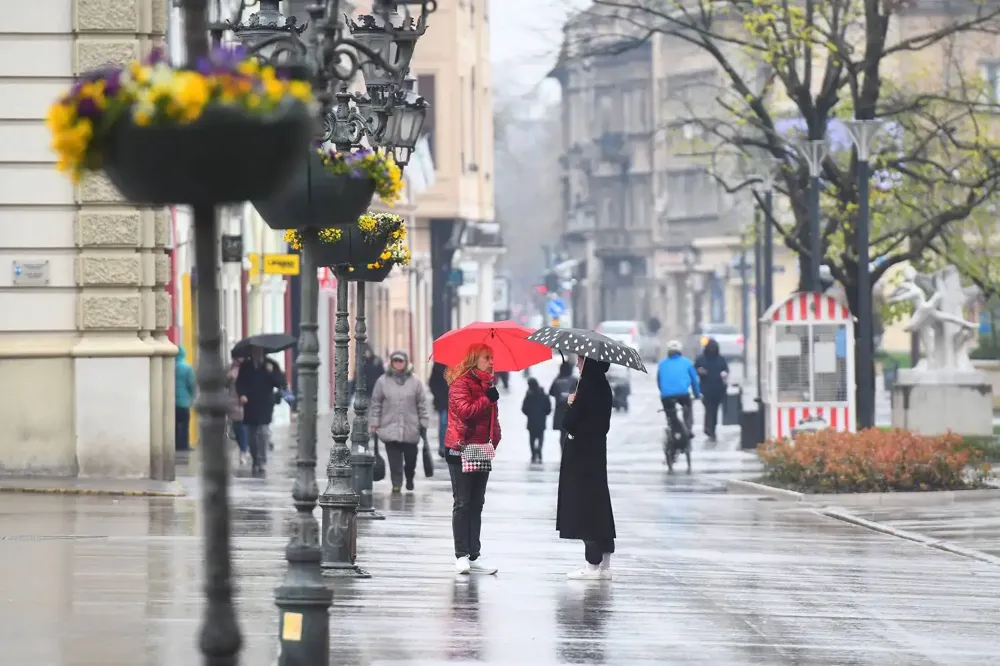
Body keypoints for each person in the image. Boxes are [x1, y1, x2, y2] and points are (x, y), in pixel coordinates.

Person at [557, 355, 616, 580]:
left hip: (582, 454)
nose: (578, 364)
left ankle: (592, 564)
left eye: (581, 360)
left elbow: (569, 422)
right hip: (597, 453)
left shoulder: (588, 385)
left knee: (585, 506)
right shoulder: (603, 385)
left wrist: (572, 403)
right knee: (599, 503)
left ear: (589, 362)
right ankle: (605, 563)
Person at [444, 343, 501, 575]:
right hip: (460, 448)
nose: (491, 361)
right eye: (487, 357)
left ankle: (474, 554)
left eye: (492, 357)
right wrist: (487, 398)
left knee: (477, 503)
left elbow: (492, 418)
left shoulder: (487, 384)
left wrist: (495, 438)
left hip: (480, 448)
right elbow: (465, 411)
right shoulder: (460, 384)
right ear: (474, 359)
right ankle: (461, 555)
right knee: (463, 502)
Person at [369, 351, 429, 493]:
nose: (398, 363)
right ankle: (396, 484)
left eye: (401, 361)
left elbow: (422, 404)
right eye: (395, 361)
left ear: (406, 362)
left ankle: (409, 477)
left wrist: (423, 422)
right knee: (394, 461)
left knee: (410, 459)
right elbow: (376, 403)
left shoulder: (416, 382)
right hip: (390, 427)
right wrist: (374, 423)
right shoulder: (382, 381)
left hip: (411, 428)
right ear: (391, 362)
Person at [235, 346, 286, 477]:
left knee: (263, 432)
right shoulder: (246, 366)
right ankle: (255, 458)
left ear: (263, 352)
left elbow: (280, 382)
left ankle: (262, 460)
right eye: (254, 351)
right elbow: (240, 383)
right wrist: (241, 394)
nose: (257, 353)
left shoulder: (271, 364)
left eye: (259, 351)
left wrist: (271, 373)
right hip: (250, 403)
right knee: (251, 433)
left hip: (265, 403)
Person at [656, 340, 701, 436]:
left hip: (666, 396)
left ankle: (672, 428)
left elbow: (659, 381)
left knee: (670, 414)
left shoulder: (662, 364)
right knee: (687, 409)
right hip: (683, 394)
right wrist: (697, 394)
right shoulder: (687, 362)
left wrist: (664, 391)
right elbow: (694, 381)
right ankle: (688, 429)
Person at [694, 339, 729, 441]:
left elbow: (726, 369)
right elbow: (695, 368)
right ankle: (708, 428)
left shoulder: (721, 359)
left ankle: (711, 428)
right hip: (706, 388)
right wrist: (699, 371)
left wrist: (724, 373)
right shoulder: (701, 359)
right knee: (709, 409)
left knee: (714, 410)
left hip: (718, 388)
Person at [549, 360, 578, 454]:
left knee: (562, 433)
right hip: (571, 409)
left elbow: (551, 392)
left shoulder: (557, 380)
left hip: (560, 409)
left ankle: (563, 451)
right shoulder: (574, 380)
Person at [521, 377, 552, 463]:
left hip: (531, 420)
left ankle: (533, 453)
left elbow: (524, 408)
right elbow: (548, 409)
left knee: (532, 438)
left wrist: (529, 414)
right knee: (540, 436)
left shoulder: (529, 396)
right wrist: (544, 414)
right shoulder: (544, 395)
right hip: (541, 420)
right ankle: (539, 449)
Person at [227, 359, 250, 465]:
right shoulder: (231, 370)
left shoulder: (246, 371)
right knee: (236, 429)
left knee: (242, 427)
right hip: (232, 403)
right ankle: (243, 448)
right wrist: (229, 376)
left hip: (243, 403)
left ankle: (243, 451)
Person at [175, 347, 196, 452]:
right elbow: (191, 384)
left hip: (171, 402)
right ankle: (183, 445)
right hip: (183, 402)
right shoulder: (187, 368)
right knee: (184, 424)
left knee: (173, 425)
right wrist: (193, 396)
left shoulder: (169, 366)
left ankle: (174, 444)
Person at [428, 362, 450, 459]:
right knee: (444, 422)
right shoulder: (439, 365)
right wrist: (439, 395)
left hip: (458, 400)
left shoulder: (463, 364)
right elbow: (432, 382)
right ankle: (442, 447)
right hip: (443, 401)